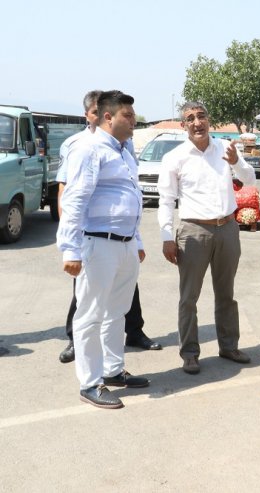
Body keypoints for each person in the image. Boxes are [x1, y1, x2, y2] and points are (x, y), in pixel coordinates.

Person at [57, 90, 149, 409]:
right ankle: (90, 382)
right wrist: (69, 249)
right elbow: (74, 199)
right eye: (128, 115)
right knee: (90, 315)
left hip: (123, 245)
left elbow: (130, 196)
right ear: (108, 117)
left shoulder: (125, 151)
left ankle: (112, 371)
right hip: (98, 242)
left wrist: (136, 242)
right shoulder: (89, 149)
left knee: (117, 312)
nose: (134, 120)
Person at [157, 102, 256, 375]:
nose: (197, 122)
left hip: (227, 228)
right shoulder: (175, 158)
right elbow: (166, 200)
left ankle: (228, 346)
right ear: (183, 126)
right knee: (189, 297)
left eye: (201, 116)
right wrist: (167, 236)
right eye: (190, 118)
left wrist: (237, 161)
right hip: (193, 231)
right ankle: (189, 353)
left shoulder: (225, 148)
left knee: (227, 294)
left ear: (209, 120)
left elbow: (250, 181)